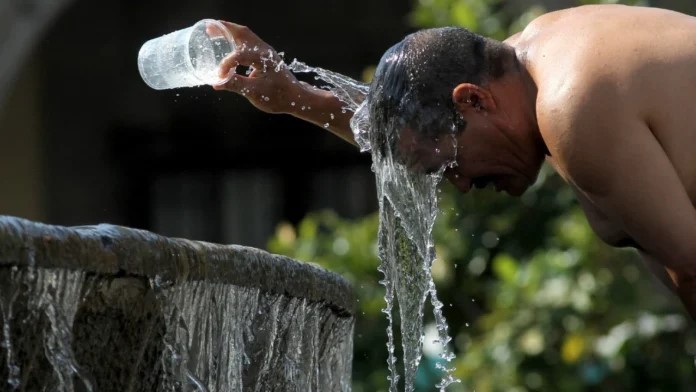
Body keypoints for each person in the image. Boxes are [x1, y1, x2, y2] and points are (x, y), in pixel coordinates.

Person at [212, 4, 696, 320]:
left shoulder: (573, 108)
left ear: (475, 102)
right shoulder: (536, 54)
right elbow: (419, 127)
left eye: (449, 166)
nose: (461, 184)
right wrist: (295, 96)